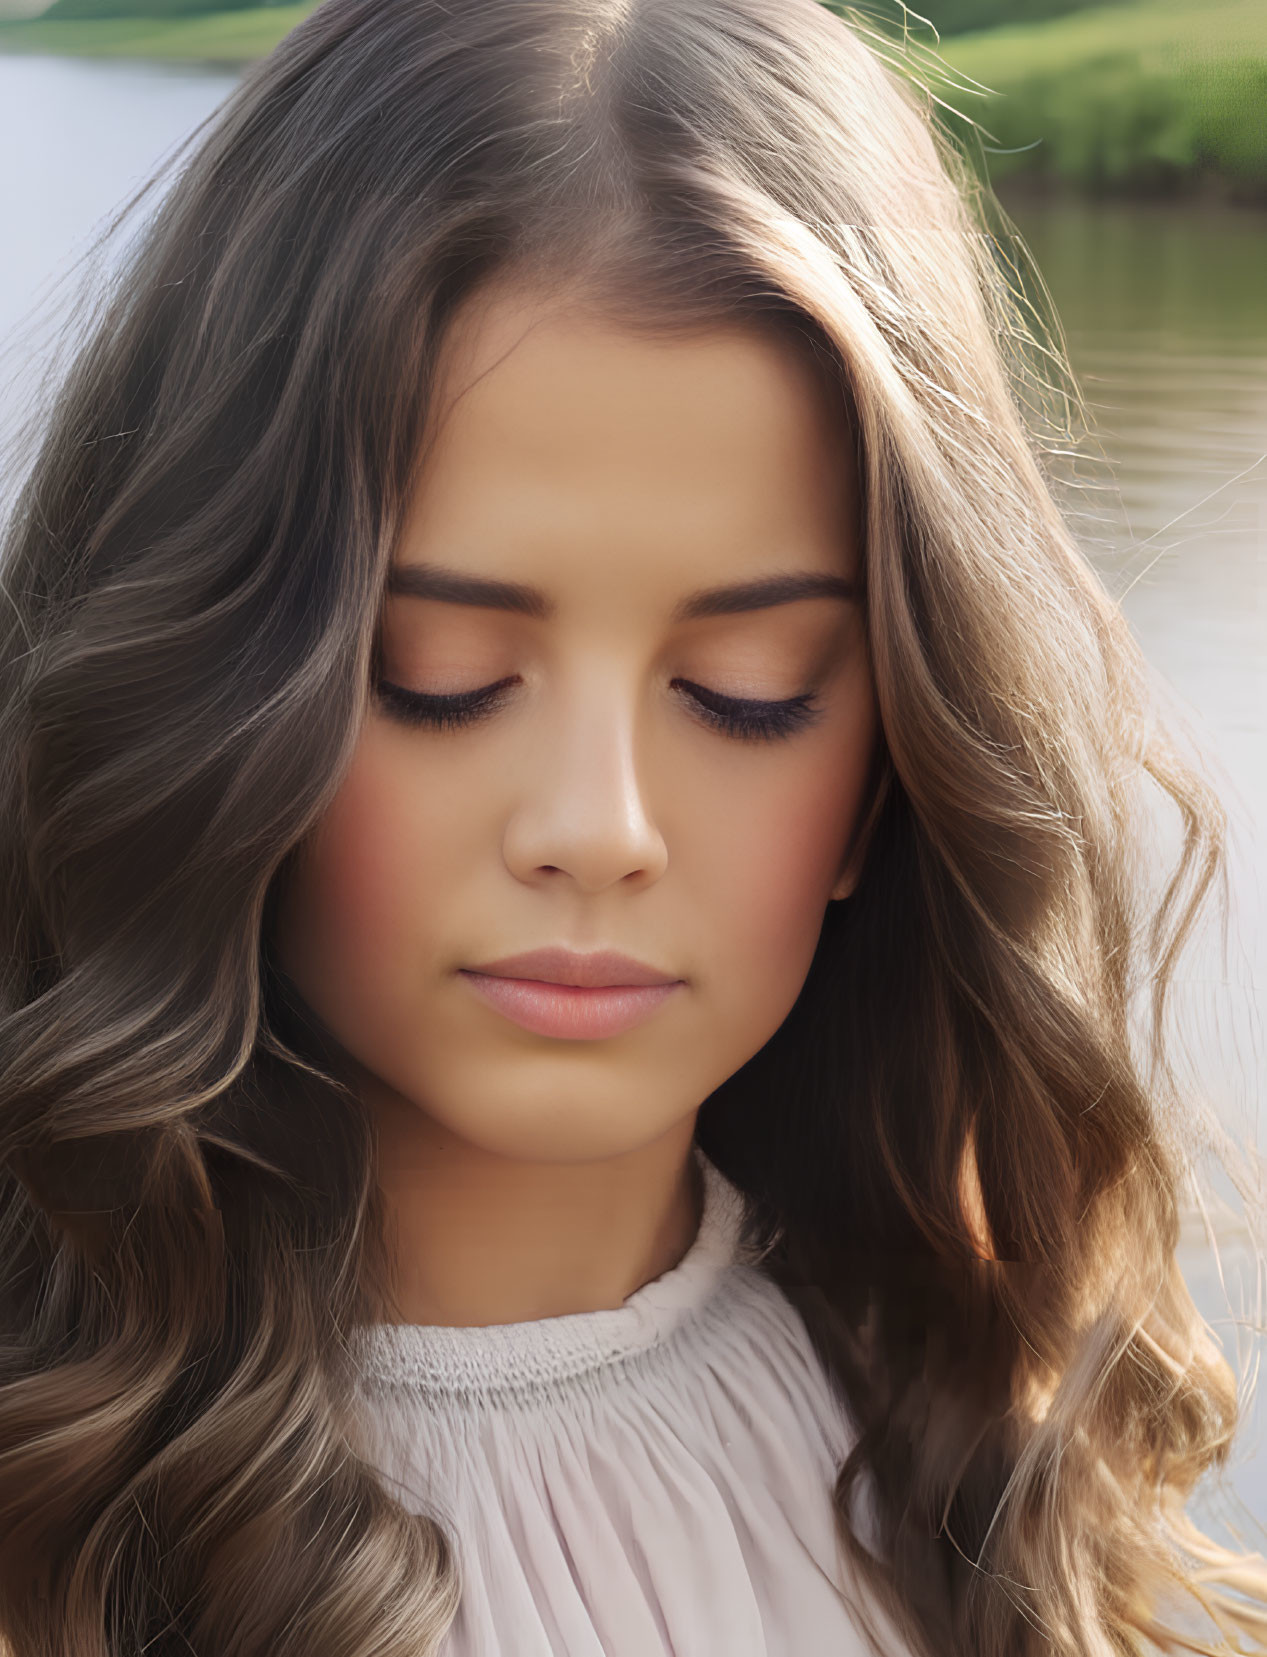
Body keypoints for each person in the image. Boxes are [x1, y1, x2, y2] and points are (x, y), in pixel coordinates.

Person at [0, 0, 1263, 1652]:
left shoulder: (982, 1447)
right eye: (435, 674)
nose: (599, 831)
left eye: (749, 688)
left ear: (895, 763)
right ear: (213, 696)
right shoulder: (61, 1510)